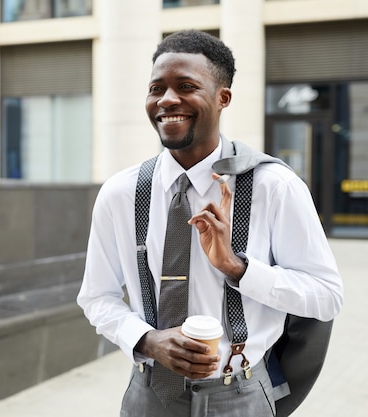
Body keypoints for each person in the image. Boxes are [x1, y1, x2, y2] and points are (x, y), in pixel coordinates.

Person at [77, 30, 343, 417]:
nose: (167, 100)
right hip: (148, 395)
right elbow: (96, 297)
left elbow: (327, 295)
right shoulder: (121, 192)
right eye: (156, 88)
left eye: (186, 86)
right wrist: (146, 340)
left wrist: (237, 268)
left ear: (223, 98)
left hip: (239, 397)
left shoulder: (275, 186)